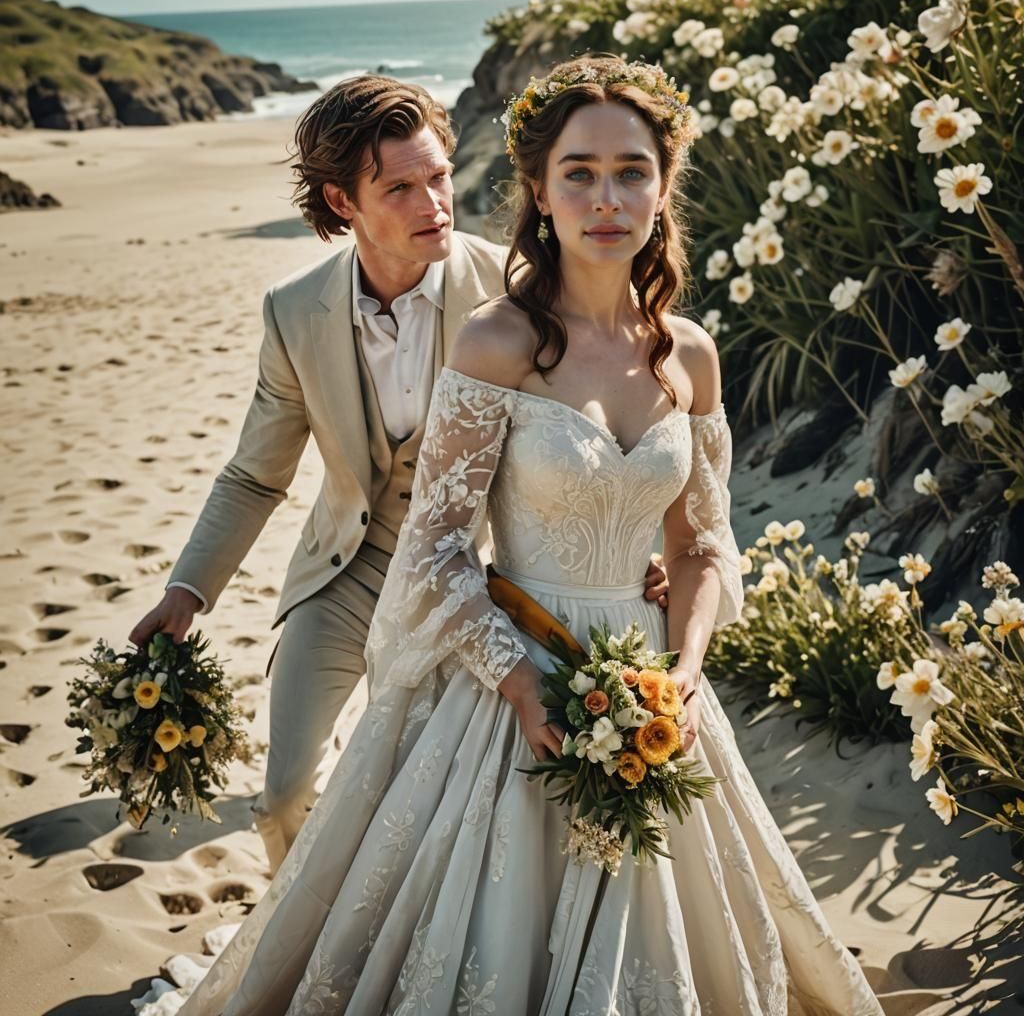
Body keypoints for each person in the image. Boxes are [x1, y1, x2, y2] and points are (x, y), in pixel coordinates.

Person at [172, 56, 884, 1014]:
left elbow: (706, 545)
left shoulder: (695, 356)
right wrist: (520, 679)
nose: (606, 197)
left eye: (632, 170)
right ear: (539, 193)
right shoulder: (496, 338)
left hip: (653, 679)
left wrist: (685, 667)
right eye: (578, 173)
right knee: (338, 820)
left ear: (664, 185)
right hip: (483, 643)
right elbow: (419, 539)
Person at [126, 74, 670, 873]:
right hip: (345, 575)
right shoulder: (293, 312)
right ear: (343, 202)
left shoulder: (518, 290)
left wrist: (629, 551)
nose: (434, 204)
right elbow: (254, 475)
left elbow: (591, 418)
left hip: (478, 583)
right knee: (283, 797)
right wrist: (187, 589)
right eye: (403, 188)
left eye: (441, 177)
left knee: (436, 804)